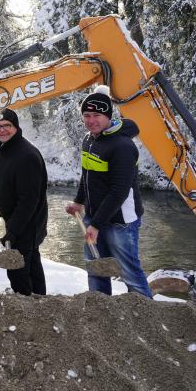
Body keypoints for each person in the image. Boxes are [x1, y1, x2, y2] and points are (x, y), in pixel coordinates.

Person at [65, 88, 152, 297]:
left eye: (97, 115)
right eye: (86, 115)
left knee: (130, 274)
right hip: (95, 217)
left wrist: (95, 224)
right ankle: (100, 312)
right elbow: (87, 174)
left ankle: (150, 322)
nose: (91, 120)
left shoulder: (123, 146)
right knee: (96, 270)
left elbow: (118, 192)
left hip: (120, 221)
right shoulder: (89, 139)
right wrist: (79, 201)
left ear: (108, 116)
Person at [0, 108, 48, 296]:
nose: (2, 130)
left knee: (18, 270)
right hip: (16, 219)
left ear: (16, 127)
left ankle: (27, 306)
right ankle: (39, 302)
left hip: (27, 223)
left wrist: (13, 231)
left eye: (7, 126)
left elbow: (29, 200)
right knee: (31, 266)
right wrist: (3, 209)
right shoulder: (6, 149)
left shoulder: (26, 155)